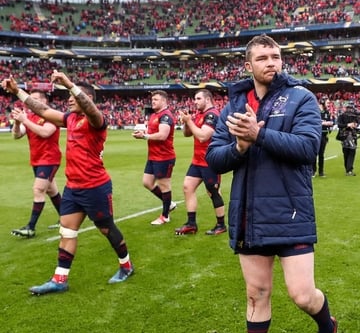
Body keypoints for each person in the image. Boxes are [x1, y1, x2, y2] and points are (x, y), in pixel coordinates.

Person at [205, 34, 337, 333]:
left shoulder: (301, 98)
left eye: (276, 56)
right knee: (256, 293)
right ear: (248, 64)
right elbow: (214, 158)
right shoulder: (234, 105)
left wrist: (258, 136)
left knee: (302, 295)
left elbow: (308, 148)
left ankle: (327, 328)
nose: (271, 62)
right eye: (262, 57)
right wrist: (240, 146)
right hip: (249, 213)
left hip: (291, 211)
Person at [2, 72, 134, 294]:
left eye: (73, 97)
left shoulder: (97, 120)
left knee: (105, 228)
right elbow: (43, 110)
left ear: (87, 97)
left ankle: (126, 266)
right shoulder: (70, 119)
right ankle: (59, 280)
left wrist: (71, 85)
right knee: (67, 232)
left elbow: (90, 108)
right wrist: (17, 92)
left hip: (95, 187)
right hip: (73, 187)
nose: (69, 100)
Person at [8, 89, 62, 238]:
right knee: (51, 191)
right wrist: (18, 123)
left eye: (35, 99)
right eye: (29, 99)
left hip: (50, 159)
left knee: (38, 190)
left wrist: (25, 120)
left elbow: (45, 132)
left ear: (44, 101)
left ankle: (30, 228)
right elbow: (17, 135)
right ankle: (65, 219)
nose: (30, 102)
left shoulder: (51, 115)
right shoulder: (30, 116)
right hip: (37, 160)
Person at [174, 89, 227, 236]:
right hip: (197, 160)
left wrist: (189, 121)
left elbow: (203, 136)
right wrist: (186, 122)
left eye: (198, 99)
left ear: (208, 99)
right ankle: (191, 224)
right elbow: (187, 134)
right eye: (195, 99)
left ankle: (221, 225)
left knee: (213, 192)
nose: (195, 101)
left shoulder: (212, 115)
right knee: (187, 187)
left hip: (210, 160)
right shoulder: (199, 115)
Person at [133, 90, 177, 225]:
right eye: (152, 100)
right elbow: (153, 132)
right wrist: (144, 132)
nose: (153, 102)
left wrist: (145, 136)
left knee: (164, 185)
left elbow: (163, 135)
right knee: (147, 182)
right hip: (153, 156)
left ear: (164, 101)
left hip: (164, 157)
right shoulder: (154, 115)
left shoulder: (165, 116)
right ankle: (169, 204)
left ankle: (165, 216)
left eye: (156, 100)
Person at [336, 102, 360, 176]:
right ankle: (348, 169)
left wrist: (355, 125)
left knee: (352, 152)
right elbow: (339, 125)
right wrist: (347, 125)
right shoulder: (341, 116)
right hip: (344, 136)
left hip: (353, 135)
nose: (350, 109)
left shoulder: (355, 116)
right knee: (346, 153)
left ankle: (349, 169)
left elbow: (357, 124)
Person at [314, 98, 334, 177]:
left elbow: (331, 122)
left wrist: (324, 123)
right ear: (322, 103)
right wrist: (324, 123)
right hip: (317, 135)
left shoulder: (327, 112)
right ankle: (313, 171)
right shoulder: (316, 111)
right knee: (314, 154)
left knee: (321, 154)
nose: (328, 104)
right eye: (327, 103)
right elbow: (316, 122)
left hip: (324, 135)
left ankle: (321, 172)